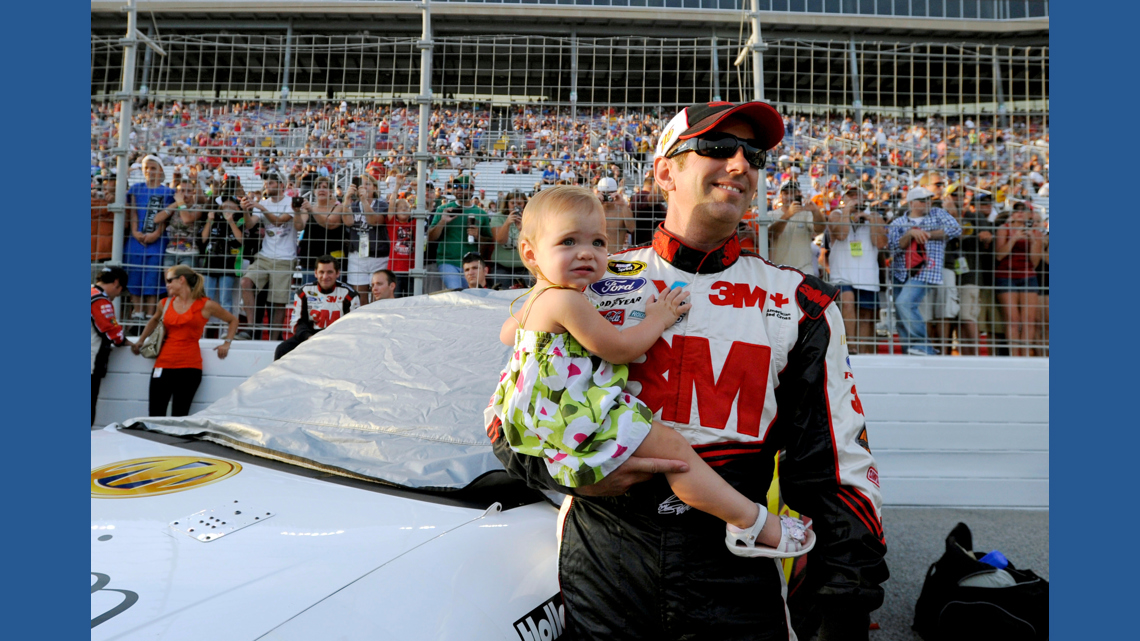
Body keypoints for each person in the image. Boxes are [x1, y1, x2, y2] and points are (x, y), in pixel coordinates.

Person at [490, 102, 887, 641]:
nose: (741, 164)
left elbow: (836, 472)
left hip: (733, 572)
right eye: (719, 148)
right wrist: (572, 475)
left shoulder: (801, 302)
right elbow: (510, 421)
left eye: (754, 154)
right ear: (664, 170)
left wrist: (843, 604)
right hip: (605, 558)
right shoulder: (586, 281)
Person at [487, 184, 812, 557]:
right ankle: (752, 523)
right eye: (568, 242)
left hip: (540, 414)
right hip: (571, 414)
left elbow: (507, 333)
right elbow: (621, 348)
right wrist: (661, 316)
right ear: (530, 253)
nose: (586, 254)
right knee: (675, 453)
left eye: (597, 242)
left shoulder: (537, 297)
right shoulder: (566, 301)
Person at [132, 265, 238, 417]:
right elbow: (154, 320)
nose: (167, 284)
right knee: (155, 414)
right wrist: (141, 340)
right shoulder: (164, 303)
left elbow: (232, 320)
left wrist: (227, 342)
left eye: (169, 280)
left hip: (189, 367)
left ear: (181, 280)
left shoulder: (205, 305)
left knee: (180, 415)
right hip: (163, 364)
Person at [886, 186, 962, 356]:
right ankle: (910, 351)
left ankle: (922, 346)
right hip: (901, 272)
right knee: (901, 314)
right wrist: (910, 235)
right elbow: (891, 248)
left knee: (904, 303)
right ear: (912, 203)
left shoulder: (938, 214)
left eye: (929, 199)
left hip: (927, 270)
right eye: (923, 200)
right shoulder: (899, 222)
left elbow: (956, 229)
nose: (928, 202)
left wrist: (924, 234)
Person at [826, 184, 887, 354]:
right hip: (842, 274)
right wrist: (847, 211)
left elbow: (880, 243)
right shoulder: (836, 215)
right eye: (850, 196)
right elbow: (841, 234)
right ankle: (850, 347)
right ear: (843, 200)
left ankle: (865, 352)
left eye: (857, 196)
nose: (854, 199)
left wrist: (871, 219)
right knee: (847, 303)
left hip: (867, 275)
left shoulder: (874, 217)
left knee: (867, 317)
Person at [239, 170, 296, 340]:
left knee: (278, 301)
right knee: (246, 282)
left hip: (285, 257)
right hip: (265, 255)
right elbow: (249, 225)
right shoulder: (263, 203)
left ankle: (274, 339)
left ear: (281, 185)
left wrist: (260, 207)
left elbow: (278, 221)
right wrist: (245, 210)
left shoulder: (291, 202)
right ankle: (251, 328)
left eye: (271, 183)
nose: (267, 185)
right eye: (266, 183)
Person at [274, 255, 360, 361]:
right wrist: (310, 338)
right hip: (310, 337)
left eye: (330, 272)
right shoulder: (304, 292)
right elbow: (297, 323)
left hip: (338, 339)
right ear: (315, 273)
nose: (325, 276)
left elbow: (353, 326)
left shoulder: (350, 295)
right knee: (282, 349)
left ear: (337, 273)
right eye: (321, 272)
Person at [125, 155, 175, 327]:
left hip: (157, 241)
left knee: (152, 276)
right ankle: (136, 313)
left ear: (160, 170)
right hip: (136, 240)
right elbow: (133, 213)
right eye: (146, 168)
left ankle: (150, 315)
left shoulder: (168, 192)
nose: (149, 171)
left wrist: (156, 234)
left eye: (153, 168)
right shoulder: (135, 189)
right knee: (135, 274)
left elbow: (167, 217)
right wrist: (135, 232)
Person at [994, 202, 1045, 357]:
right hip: (1006, 276)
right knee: (1012, 319)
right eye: (1017, 210)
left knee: (1028, 319)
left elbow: (1034, 263)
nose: (1021, 213)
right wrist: (1014, 239)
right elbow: (1000, 255)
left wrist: (1034, 242)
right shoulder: (1004, 229)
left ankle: (1025, 356)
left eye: (1025, 211)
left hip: (1028, 276)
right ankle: (1014, 356)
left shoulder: (1036, 233)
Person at [427, 176, 491, 290]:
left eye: (464, 186)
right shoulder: (443, 209)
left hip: (472, 263)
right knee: (456, 291)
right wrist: (442, 221)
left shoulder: (481, 213)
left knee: (472, 294)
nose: (459, 189)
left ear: (472, 190)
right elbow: (431, 237)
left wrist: (478, 236)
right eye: (456, 186)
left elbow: (489, 241)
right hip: (448, 261)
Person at [199, 175, 245, 331]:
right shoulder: (214, 219)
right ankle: (203, 330)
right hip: (210, 264)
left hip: (229, 265)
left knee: (226, 300)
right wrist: (209, 221)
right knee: (207, 300)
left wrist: (231, 221)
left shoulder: (239, 220)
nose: (227, 208)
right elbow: (204, 238)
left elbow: (241, 240)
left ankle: (226, 330)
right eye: (225, 205)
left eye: (231, 206)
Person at [91, 267, 133, 425]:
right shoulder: (99, 300)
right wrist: (126, 341)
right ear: (116, 283)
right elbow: (111, 332)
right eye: (121, 289)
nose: (118, 294)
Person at [339, 174, 390, 304]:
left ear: (375, 188)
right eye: (361, 184)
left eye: (367, 184)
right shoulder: (353, 205)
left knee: (377, 296)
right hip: (357, 255)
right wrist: (347, 199)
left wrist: (364, 201)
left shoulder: (382, 205)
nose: (364, 187)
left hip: (378, 256)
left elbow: (374, 221)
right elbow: (348, 222)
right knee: (358, 295)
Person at [768, 180, 826, 274]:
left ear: (799, 194)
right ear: (780, 196)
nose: (789, 196)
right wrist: (788, 214)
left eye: (793, 193)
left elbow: (820, 229)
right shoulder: (771, 214)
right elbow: (771, 235)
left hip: (804, 269)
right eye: (786, 193)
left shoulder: (806, 213)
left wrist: (815, 211)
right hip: (779, 270)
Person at [488, 191, 532, 289]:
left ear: (525, 204)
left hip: (524, 266)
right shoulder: (499, 217)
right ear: (507, 203)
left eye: (520, 203)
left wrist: (521, 228)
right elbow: (500, 240)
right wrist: (507, 223)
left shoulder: (530, 218)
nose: (516, 206)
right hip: (502, 266)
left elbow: (533, 242)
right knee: (501, 294)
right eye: (513, 203)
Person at [596, 176, 634, 253]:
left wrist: (623, 204)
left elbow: (632, 228)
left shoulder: (622, 210)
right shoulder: (593, 210)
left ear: (616, 192)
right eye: (604, 193)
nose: (607, 196)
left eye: (610, 193)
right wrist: (594, 203)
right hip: (596, 255)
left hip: (615, 255)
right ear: (598, 192)